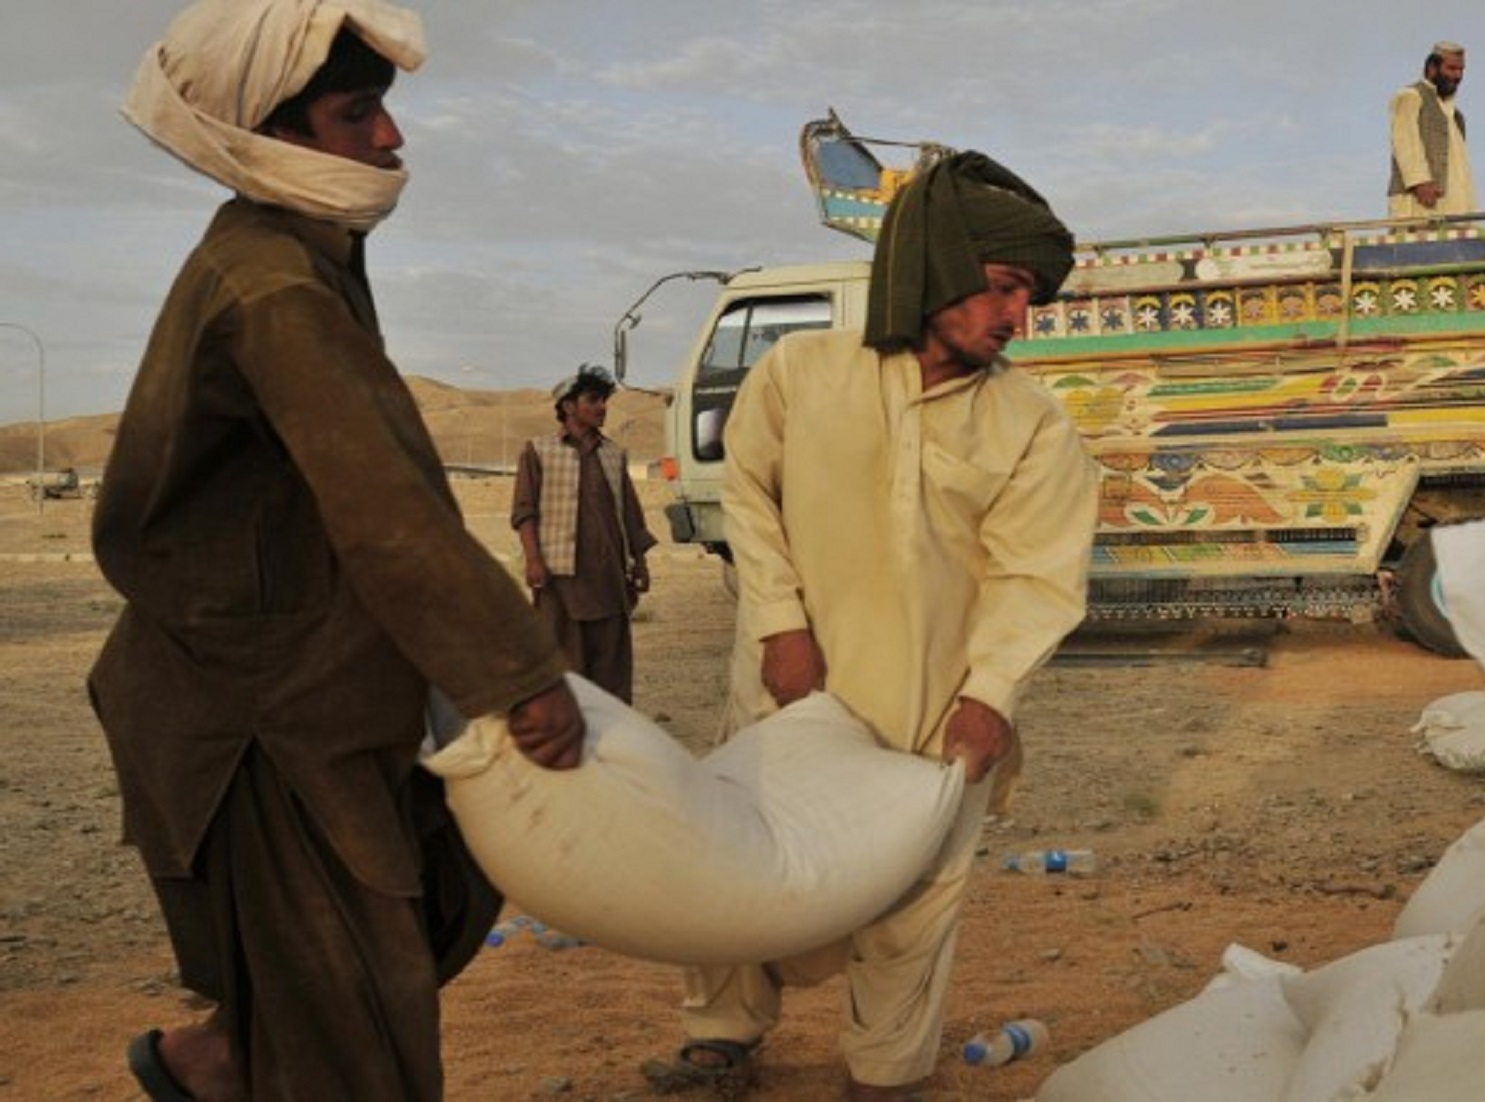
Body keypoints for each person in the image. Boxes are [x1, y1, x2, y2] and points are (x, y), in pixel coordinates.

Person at [95, 2, 585, 1098]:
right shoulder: (272, 285)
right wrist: (518, 674)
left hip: (320, 700)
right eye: (357, 113)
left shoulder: (302, 259)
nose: (389, 141)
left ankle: (220, 1058)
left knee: (433, 910)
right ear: (277, 134)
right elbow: (387, 510)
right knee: (358, 1046)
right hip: (261, 726)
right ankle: (233, 1058)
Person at [642, 152, 1099, 1100]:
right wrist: (776, 623)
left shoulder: (1030, 423)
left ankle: (883, 1072)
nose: (1017, 317)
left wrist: (990, 695)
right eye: (1004, 287)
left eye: (1030, 300)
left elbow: (1036, 577)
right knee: (742, 856)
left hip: (933, 703)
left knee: (913, 897)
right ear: (935, 265)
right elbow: (751, 498)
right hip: (789, 686)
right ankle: (720, 1036)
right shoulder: (799, 372)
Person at [512, 364, 659, 703]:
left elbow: (631, 514)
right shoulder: (537, 451)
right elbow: (524, 511)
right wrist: (533, 559)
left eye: (604, 400)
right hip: (560, 578)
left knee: (612, 667)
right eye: (593, 400)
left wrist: (640, 563)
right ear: (568, 406)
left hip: (608, 579)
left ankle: (615, 740)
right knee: (565, 666)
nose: (602, 407)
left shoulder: (614, 454)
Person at [1388, 41, 1475, 220]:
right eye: (1451, 68)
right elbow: (1404, 140)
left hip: (1455, 208)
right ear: (1432, 68)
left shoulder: (1456, 115)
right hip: (1421, 205)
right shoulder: (1411, 95)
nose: (1458, 75)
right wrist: (1419, 181)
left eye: (1461, 70)